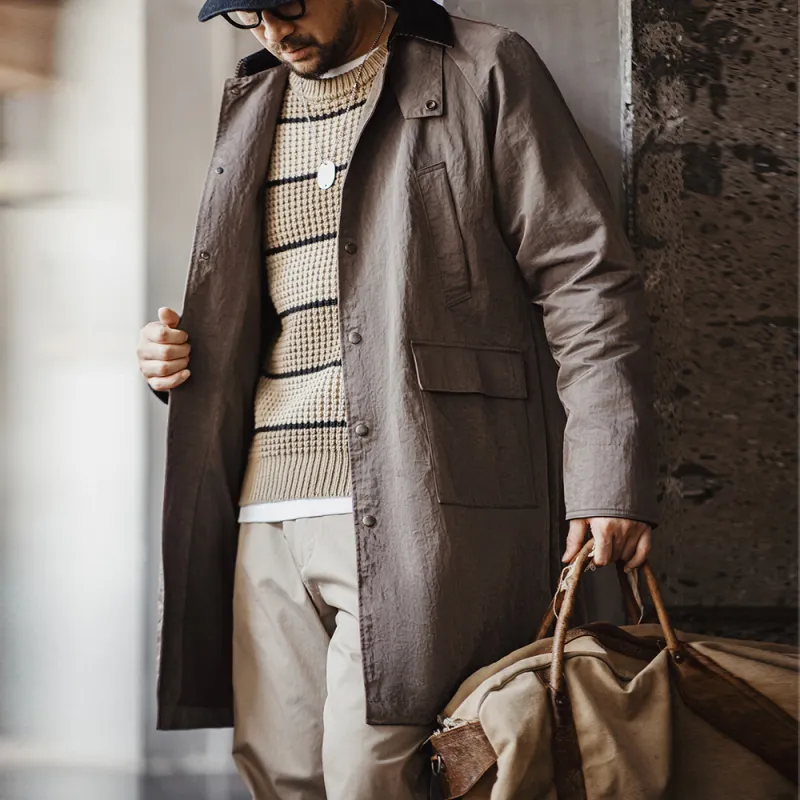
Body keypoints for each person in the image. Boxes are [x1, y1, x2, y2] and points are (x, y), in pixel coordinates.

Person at [135, 0, 660, 798]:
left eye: (286, 5)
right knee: (280, 775)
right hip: (263, 505)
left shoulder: (482, 67)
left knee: (372, 776)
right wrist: (174, 358)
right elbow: (271, 304)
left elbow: (586, 282)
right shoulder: (253, 95)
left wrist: (608, 475)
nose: (273, 32)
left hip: (423, 491)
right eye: (248, 15)